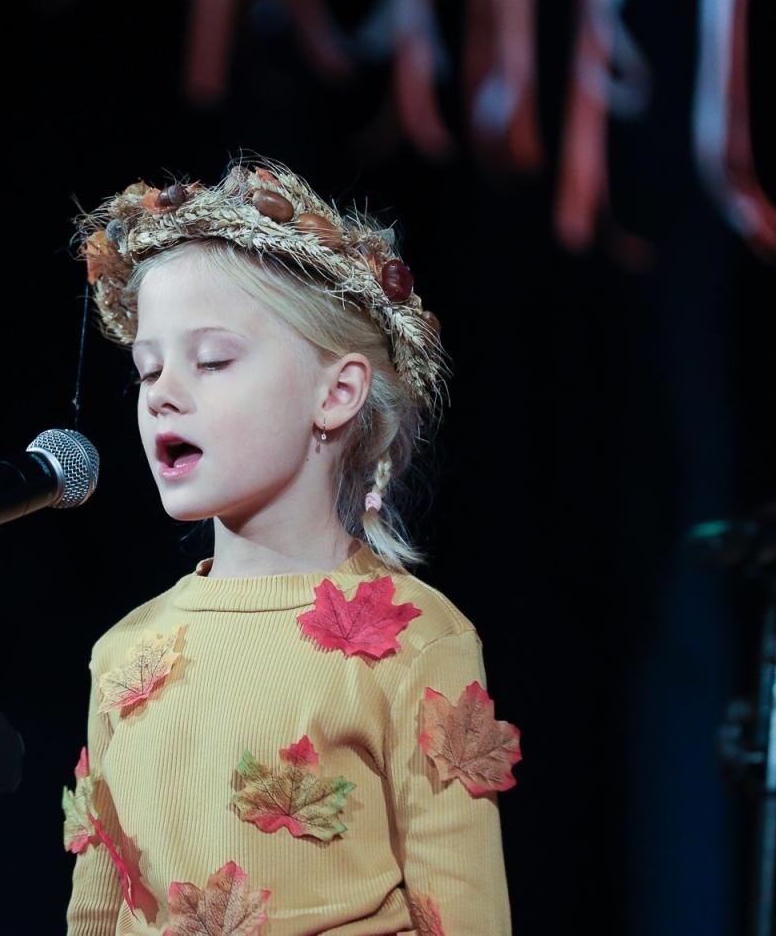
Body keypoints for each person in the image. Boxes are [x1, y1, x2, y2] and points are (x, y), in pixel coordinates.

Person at [60, 161, 516, 935]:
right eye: (148, 369)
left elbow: (465, 915)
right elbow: (96, 912)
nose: (164, 391)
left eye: (212, 360)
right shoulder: (126, 655)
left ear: (335, 395)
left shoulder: (417, 644)